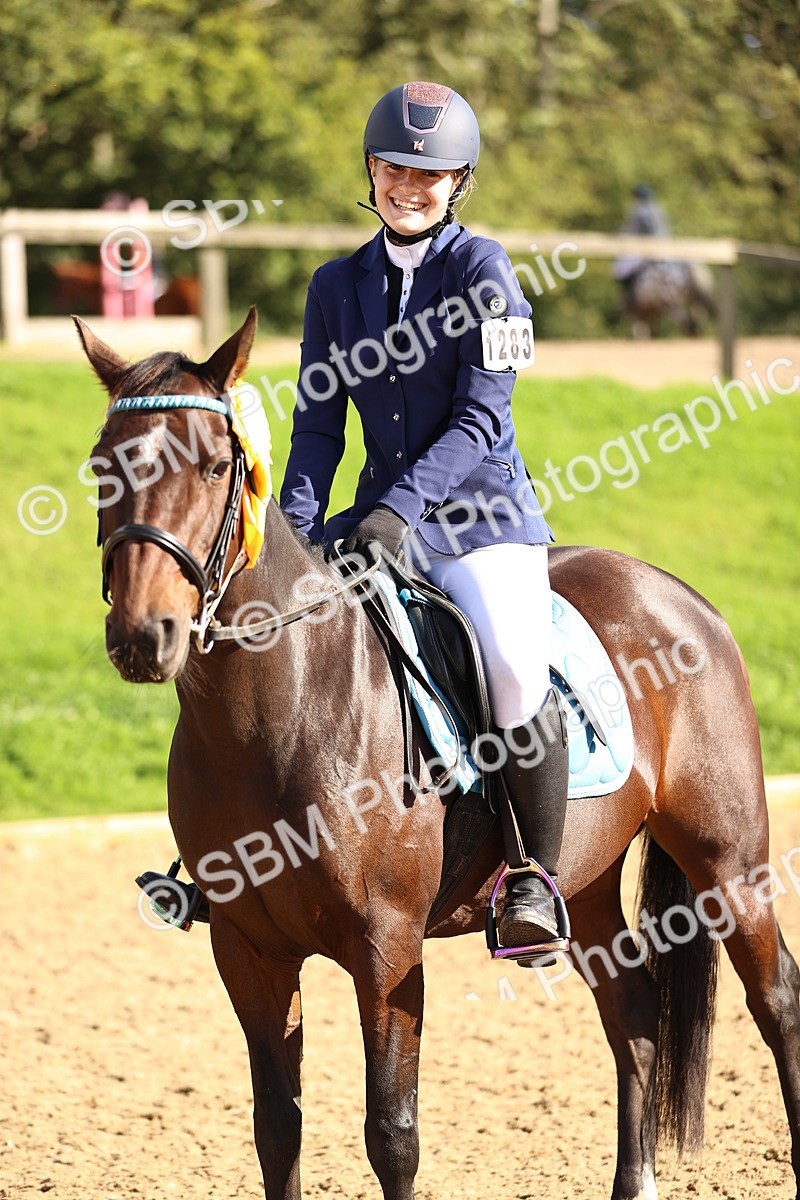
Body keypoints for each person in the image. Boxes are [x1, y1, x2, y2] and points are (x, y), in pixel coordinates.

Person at [279, 81, 569, 951]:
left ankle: (535, 881)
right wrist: (294, 536)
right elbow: (318, 423)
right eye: (395, 167)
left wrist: (397, 512)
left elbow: (484, 418)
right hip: (376, 521)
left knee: (515, 665)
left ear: (459, 183)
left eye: (431, 173)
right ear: (370, 170)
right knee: (281, 644)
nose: (411, 184)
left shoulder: (485, 272)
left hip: (482, 519)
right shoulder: (335, 286)